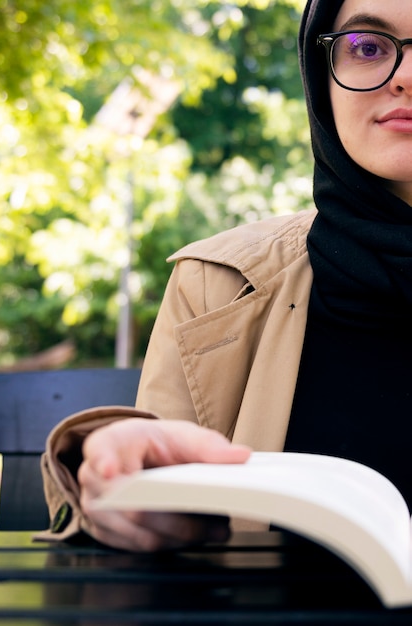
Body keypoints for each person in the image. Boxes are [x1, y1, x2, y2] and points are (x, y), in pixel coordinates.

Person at [38, 0, 412, 551]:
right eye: (367, 48)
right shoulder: (217, 285)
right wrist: (119, 497)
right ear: (319, 74)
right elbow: (145, 509)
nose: (405, 77)